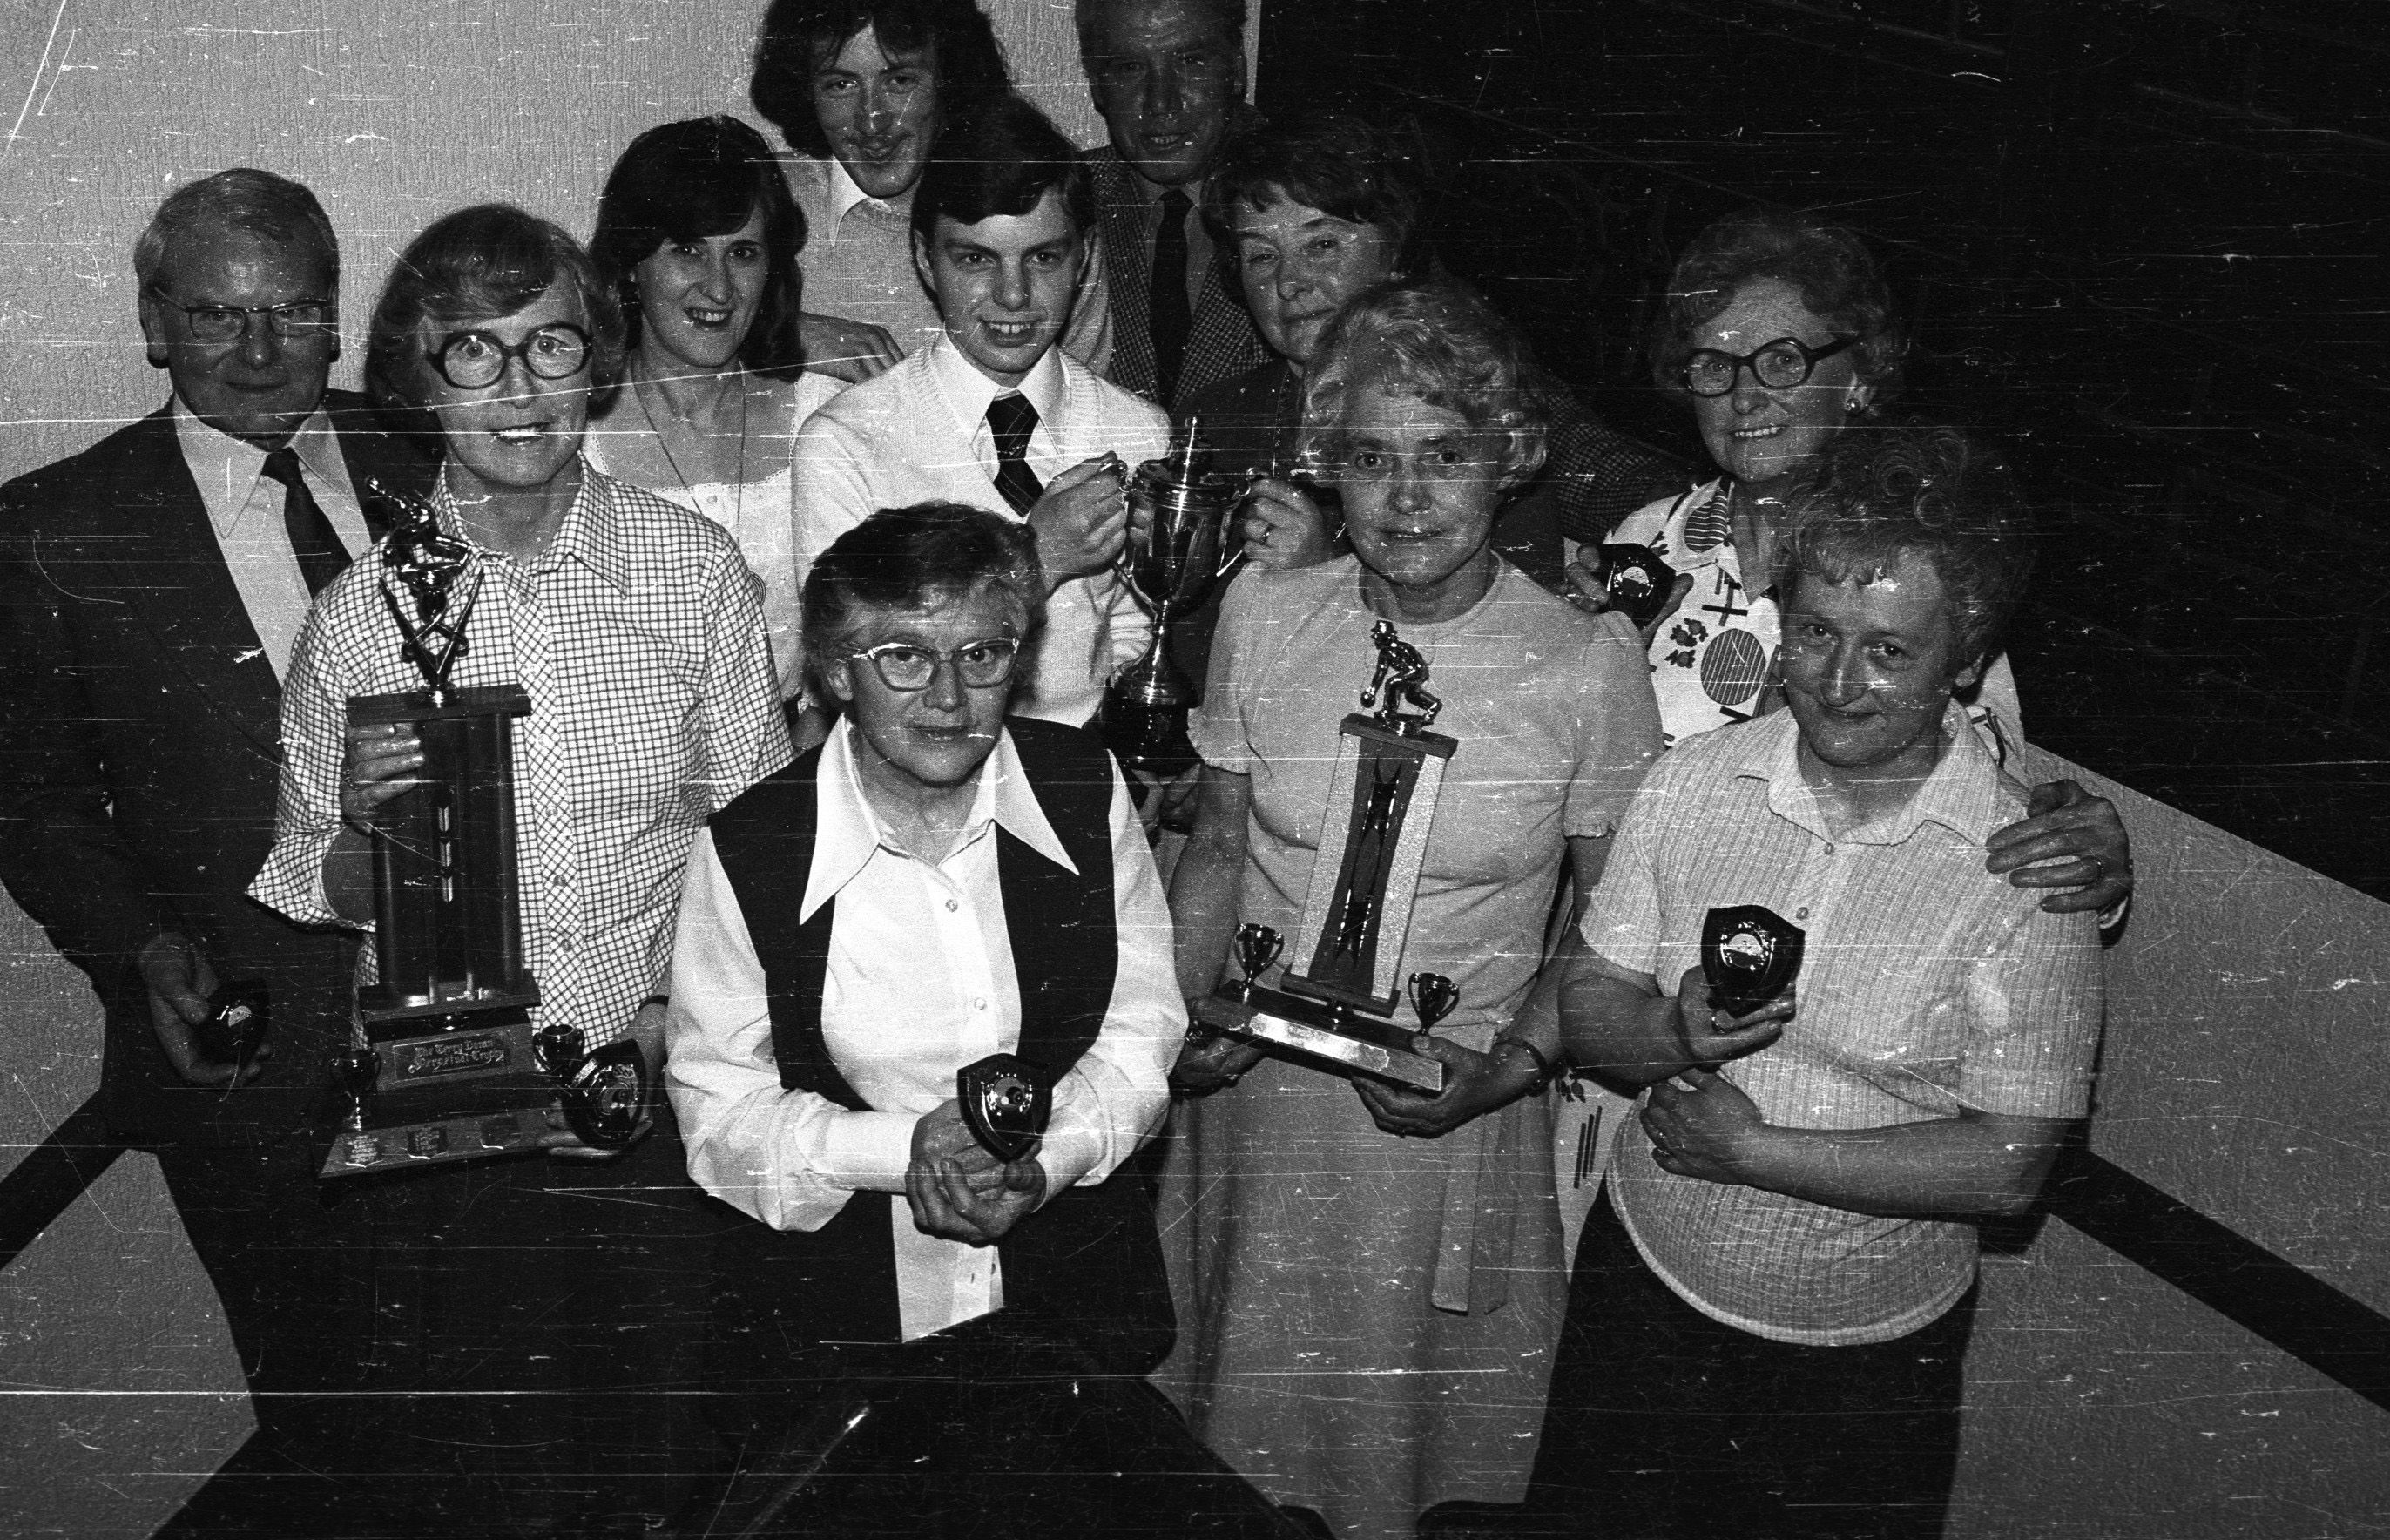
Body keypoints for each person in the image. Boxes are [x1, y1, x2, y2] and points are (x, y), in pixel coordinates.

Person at [246, 203, 789, 1535]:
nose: (520, 389)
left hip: (650, 1095)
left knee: (668, 1468)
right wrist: (368, 848)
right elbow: (304, 883)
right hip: (449, 1135)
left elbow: (763, 855)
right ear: (418, 382)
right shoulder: (361, 619)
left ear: (594, 359)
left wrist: (686, 1026)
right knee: (487, 1483)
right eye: (474, 355)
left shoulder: (692, 574)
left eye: (549, 348)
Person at [1534, 422, 2105, 1540]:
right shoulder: (1695, 782)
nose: (1839, 681)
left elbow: (2008, 1165)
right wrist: (1671, 1032)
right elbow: (1588, 1002)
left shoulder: (2022, 863)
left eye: (1889, 649)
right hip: (1641, 1294)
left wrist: (1753, 1152)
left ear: (1964, 653)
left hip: (1859, 1360)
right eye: (1813, 633)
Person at [0, 169, 435, 1534]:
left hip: (490, 1020)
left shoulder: (443, 457)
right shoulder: (58, 526)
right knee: (338, 1450)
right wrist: (144, 952)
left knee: (508, 1418)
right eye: (217, 315)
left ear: (336, 317)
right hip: (251, 1053)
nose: (257, 351)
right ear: (155, 322)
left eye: (293, 311)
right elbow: (38, 809)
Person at [1159, 281, 1664, 1537]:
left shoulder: (1585, 666)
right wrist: (1170, 1021)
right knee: (1226, 1476)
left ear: (1511, 460)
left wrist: (1507, 1072)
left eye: (1447, 455)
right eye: (1370, 458)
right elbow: (1217, 844)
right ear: (1326, 465)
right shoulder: (1268, 612)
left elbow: (1606, 938)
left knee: (1402, 1491)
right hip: (1254, 1117)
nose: (1406, 496)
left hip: (1444, 1127)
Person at [665, 503, 1184, 1511]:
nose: (947, 694)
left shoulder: (1081, 785)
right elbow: (719, 1112)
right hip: (838, 1349)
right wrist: (906, 1153)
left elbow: (1139, 1027)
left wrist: (1052, 1154)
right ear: (830, 672)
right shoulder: (752, 845)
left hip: (1063, 1315)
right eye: (900, 656)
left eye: (982, 652)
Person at [1186, 113, 1696, 593]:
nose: (1289, 282)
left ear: (1392, 253)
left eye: (1322, 246)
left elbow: (1507, 629)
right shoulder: (1213, 419)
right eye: (1261, 255)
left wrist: (1322, 578)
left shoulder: (1472, 400)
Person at [792, 93, 1171, 729]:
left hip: (1075, 779)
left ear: (1083, 258)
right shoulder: (846, 441)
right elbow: (852, 663)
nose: (1013, 295)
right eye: (976, 259)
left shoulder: (1136, 429)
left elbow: (1133, 626)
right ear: (923, 259)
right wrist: (1037, 560)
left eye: (1043, 257)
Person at [751, 0, 1111, 375]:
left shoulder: (1040, 209)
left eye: (899, 81)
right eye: (841, 85)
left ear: (949, 76)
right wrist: (778, 333)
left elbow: (1080, 409)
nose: (872, 119)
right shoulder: (762, 199)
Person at [581, 115, 843, 706]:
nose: (719, 288)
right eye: (689, 250)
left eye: (743, 253)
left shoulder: (824, 421)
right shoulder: (574, 439)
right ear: (631, 262)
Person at [1072, 0, 1264, 408]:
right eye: (1131, 67)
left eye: (1190, 62)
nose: (1162, 101)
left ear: (1235, 70)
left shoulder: (1320, 196)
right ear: (1097, 86)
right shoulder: (1063, 200)